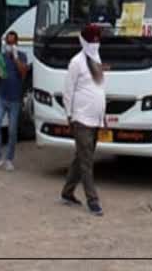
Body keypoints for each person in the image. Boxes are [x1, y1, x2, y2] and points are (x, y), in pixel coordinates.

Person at [60, 23, 106, 216]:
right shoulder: (76, 62)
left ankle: (67, 192)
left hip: (95, 119)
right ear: (85, 40)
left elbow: (100, 89)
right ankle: (92, 200)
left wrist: (102, 117)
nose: (96, 42)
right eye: (93, 39)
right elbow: (68, 92)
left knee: (81, 158)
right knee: (87, 162)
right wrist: (69, 116)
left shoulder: (97, 59)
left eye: (98, 39)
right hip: (81, 119)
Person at [0, 31, 28, 172]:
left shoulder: (22, 56)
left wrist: (15, 57)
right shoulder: (1, 57)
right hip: (1, 97)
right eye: (8, 43)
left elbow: (23, 73)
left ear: (17, 44)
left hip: (15, 100)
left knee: (12, 130)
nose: (10, 45)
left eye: (12, 43)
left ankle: (9, 159)